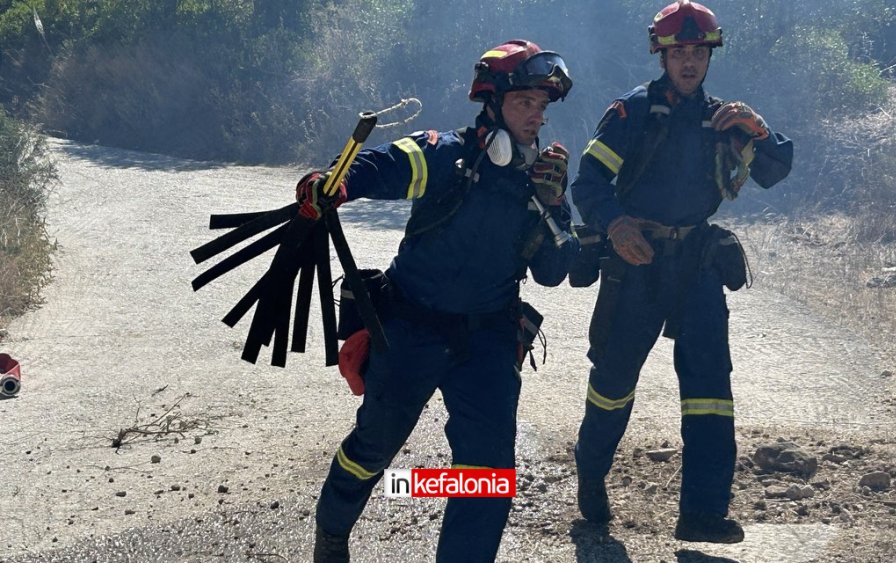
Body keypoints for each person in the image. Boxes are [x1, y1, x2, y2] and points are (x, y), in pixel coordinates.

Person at [302, 39, 578, 562]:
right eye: (524, 103)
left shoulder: (541, 179)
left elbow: (554, 273)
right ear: (492, 102)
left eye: (542, 106)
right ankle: (332, 533)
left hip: (490, 339)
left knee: (489, 473)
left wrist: (554, 205)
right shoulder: (444, 153)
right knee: (374, 447)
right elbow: (380, 166)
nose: (535, 117)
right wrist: (332, 184)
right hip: (411, 327)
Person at [570, 0, 794, 544]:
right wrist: (616, 224)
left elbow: (775, 169)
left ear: (709, 56)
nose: (689, 62)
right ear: (661, 55)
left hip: (697, 264)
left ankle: (702, 513)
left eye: (698, 51)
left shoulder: (726, 118)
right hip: (636, 263)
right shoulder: (632, 113)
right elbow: (587, 184)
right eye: (679, 52)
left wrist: (760, 132)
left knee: (710, 388)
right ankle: (591, 469)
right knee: (613, 383)